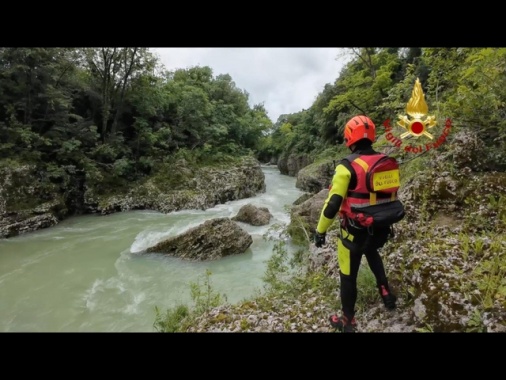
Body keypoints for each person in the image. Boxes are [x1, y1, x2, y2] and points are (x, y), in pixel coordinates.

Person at [314, 115, 398, 333]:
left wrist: (320, 231)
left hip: (354, 231)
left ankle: (347, 321)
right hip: (380, 227)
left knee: (347, 275)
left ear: (350, 137)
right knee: (372, 252)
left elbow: (333, 205)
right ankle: (385, 292)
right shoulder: (384, 160)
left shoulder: (346, 166)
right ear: (371, 135)